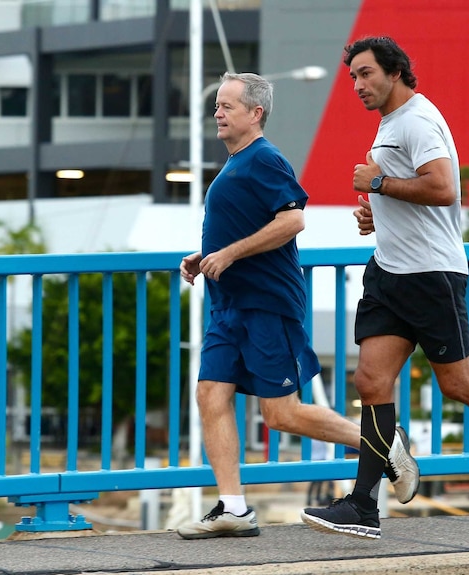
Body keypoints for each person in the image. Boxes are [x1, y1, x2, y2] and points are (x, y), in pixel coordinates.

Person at [300, 37, 469, 539]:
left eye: (366, 74)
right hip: (389, 273)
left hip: (430, 277)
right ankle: (362, 505)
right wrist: (376, 212)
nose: (357, 85)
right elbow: (408, 190)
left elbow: (443, 187)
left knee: (459, 383)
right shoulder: (391, 124)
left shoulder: (418, 120)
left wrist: (377, 186)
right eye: (353, 76)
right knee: (371, 382)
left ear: (395, 71)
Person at [176, 72, 420, 540]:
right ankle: (233, 508)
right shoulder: (235, 164)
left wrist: (229, 254)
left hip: (267, 306)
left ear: (256, 113)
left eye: (227, 106)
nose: (218, 113)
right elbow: (242, 228)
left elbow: (293, 219)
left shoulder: (265, 159)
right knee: (210, 394)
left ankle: (384, 442)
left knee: (282, 414)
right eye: (217, 106)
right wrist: (206, 255)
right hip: (228, 307)